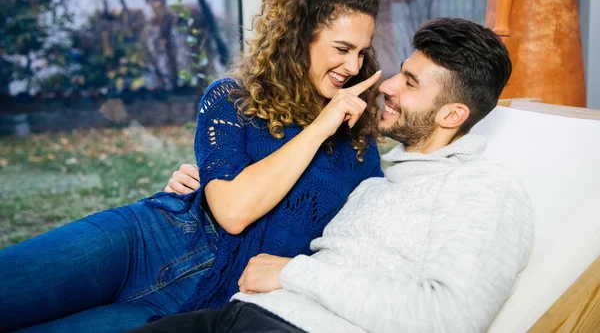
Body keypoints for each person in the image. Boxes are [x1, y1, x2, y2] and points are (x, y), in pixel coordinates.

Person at [0, 0, 384, 332]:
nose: (352, 67)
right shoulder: (231, 99)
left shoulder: (358, 150)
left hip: (198, 300)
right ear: (301, 35)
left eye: (361, 52)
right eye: (341, 48)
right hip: (145, 239)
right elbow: (232, 209)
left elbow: (362, 247)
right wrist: (319, 127)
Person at [129, 18, 535, 333]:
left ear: (452, 115)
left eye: (409, 83)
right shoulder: (377, 182)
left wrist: (291, 272)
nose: (387, 86)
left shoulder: (483, 188)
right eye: (400, 72)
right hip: (242, 312)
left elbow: (450, 318)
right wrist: (209, 183)